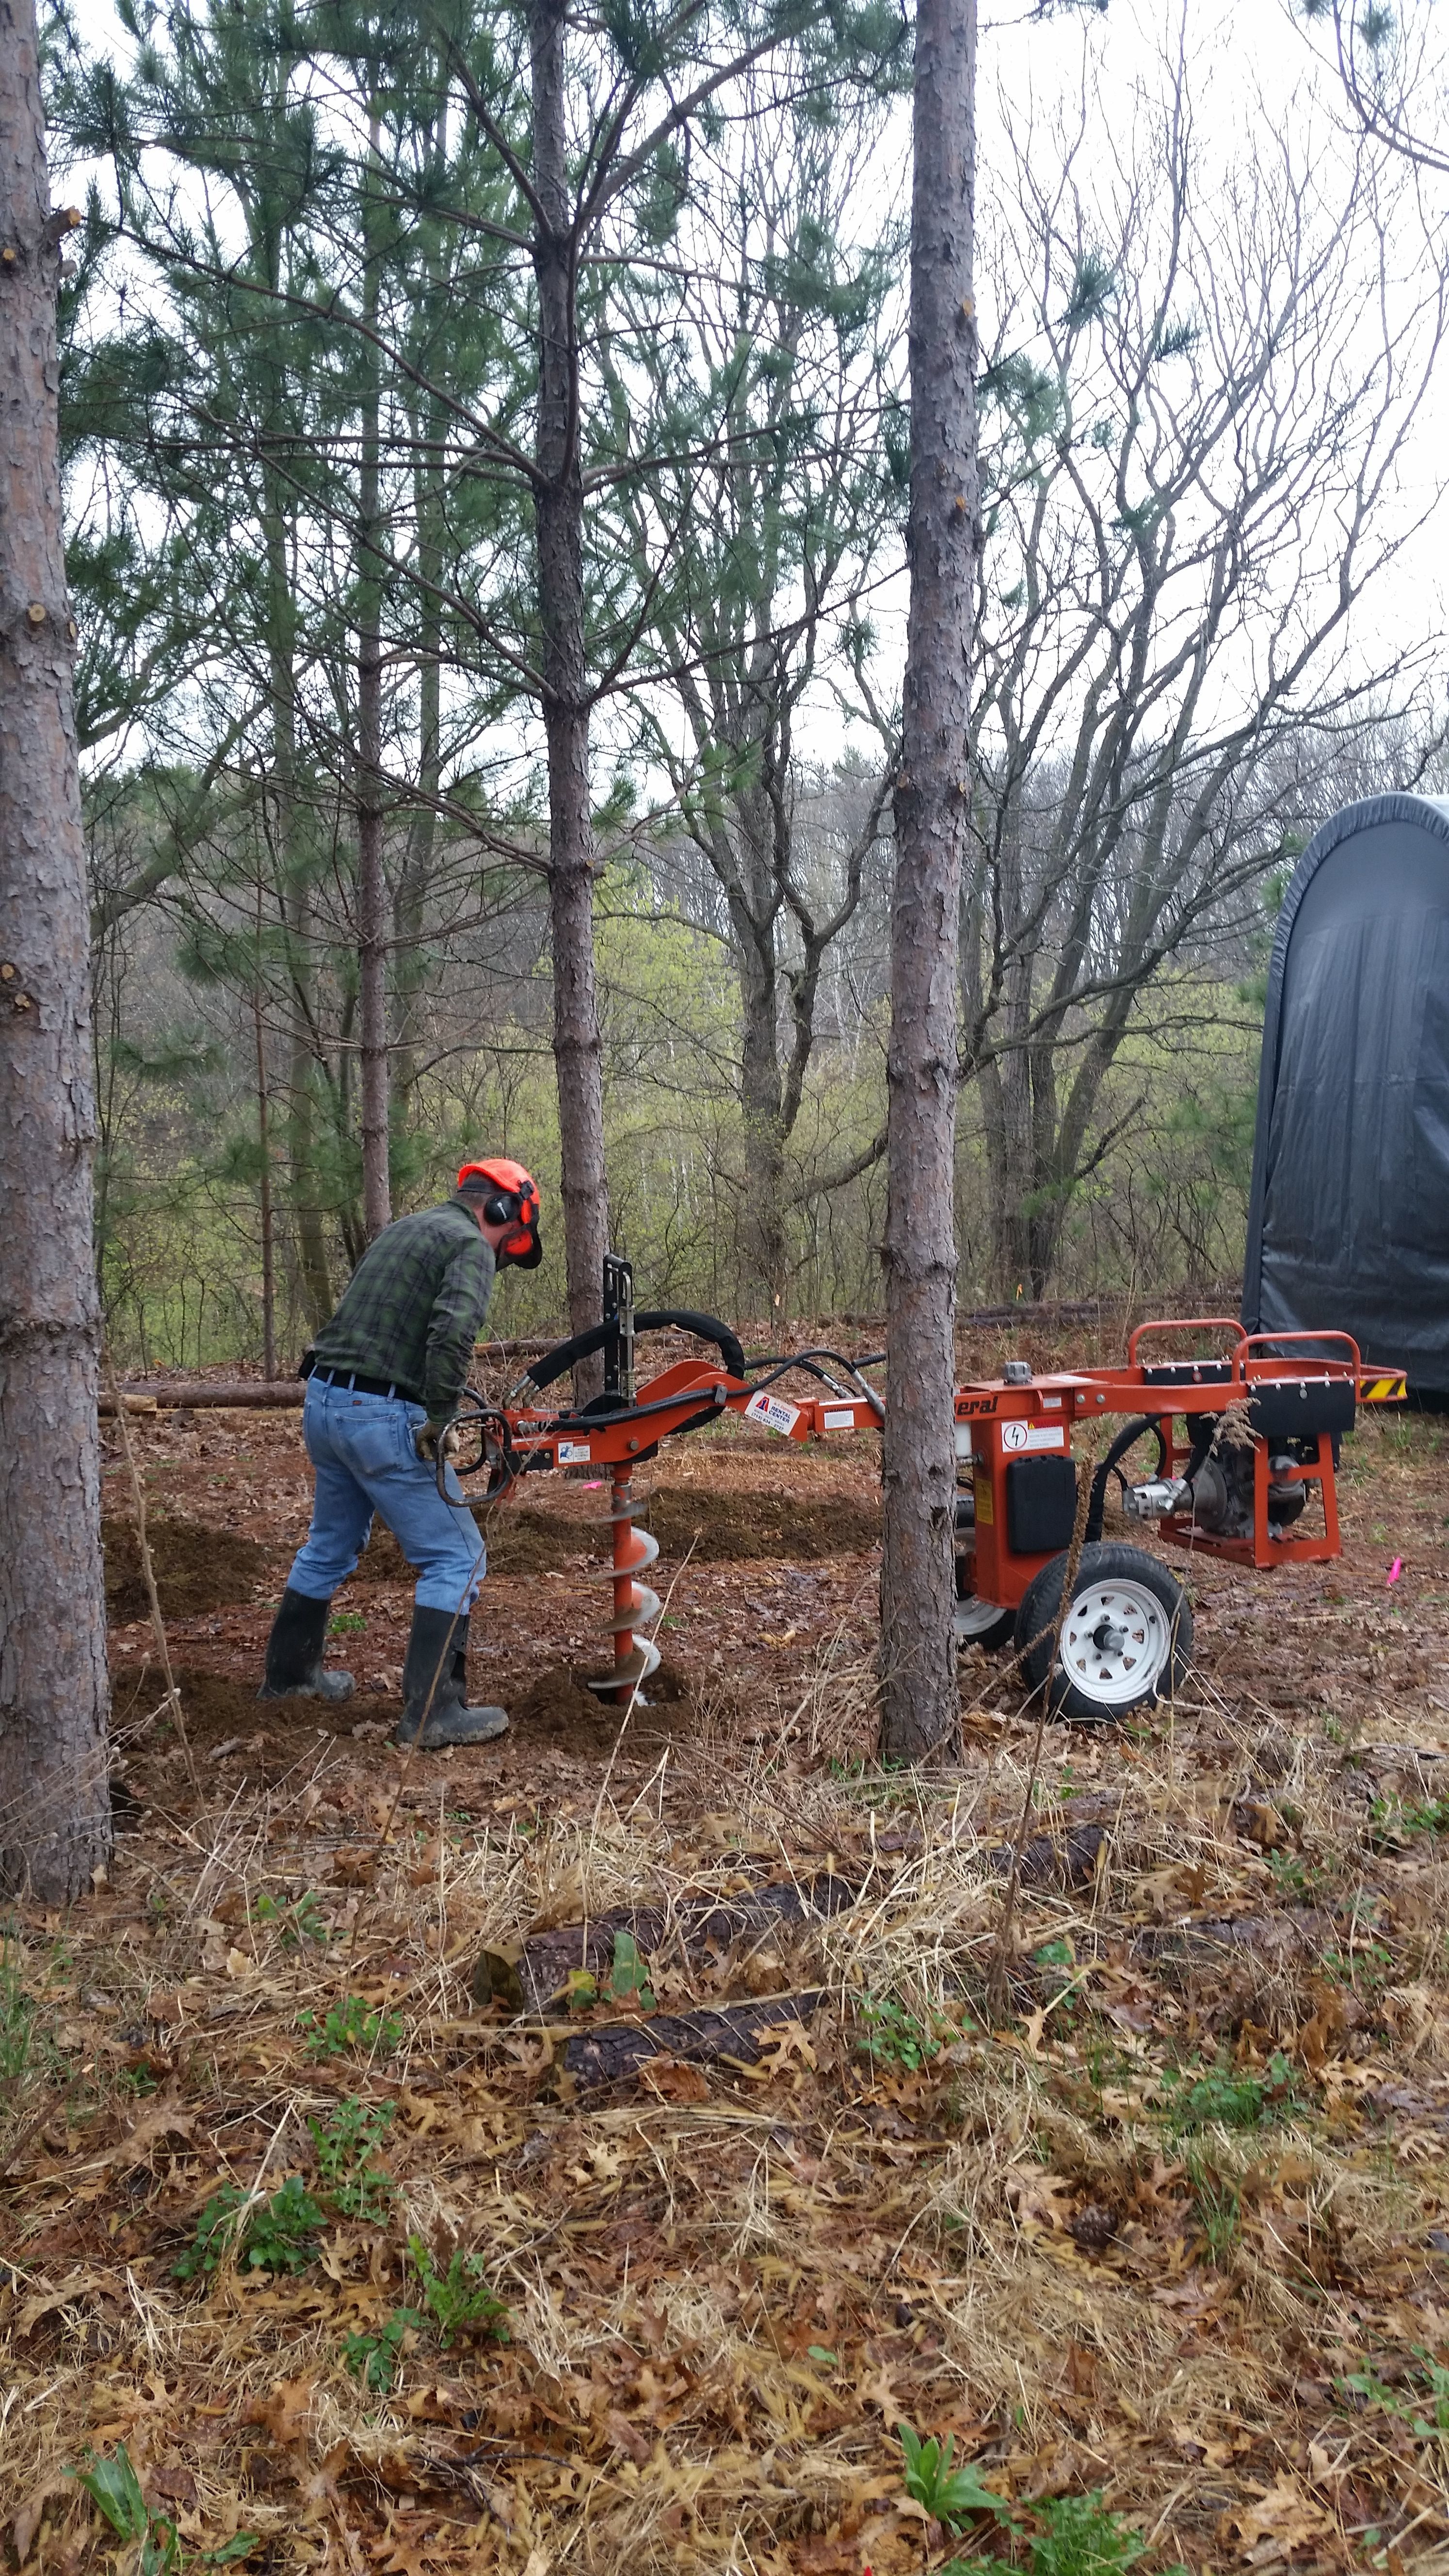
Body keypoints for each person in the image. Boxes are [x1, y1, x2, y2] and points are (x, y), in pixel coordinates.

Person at [257, 1158, 542, 1748]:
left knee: (329, 1545)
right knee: (456, 1557)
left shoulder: (404, 1229)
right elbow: (452, 1331)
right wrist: (440, 1418)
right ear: (501, 1212)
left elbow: (379, 1324)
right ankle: (433, 1713)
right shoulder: (468, 1245)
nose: (503, 1257)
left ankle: (289, 1677)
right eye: (510, 1244)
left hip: (325, 1403)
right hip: (381, 1416)